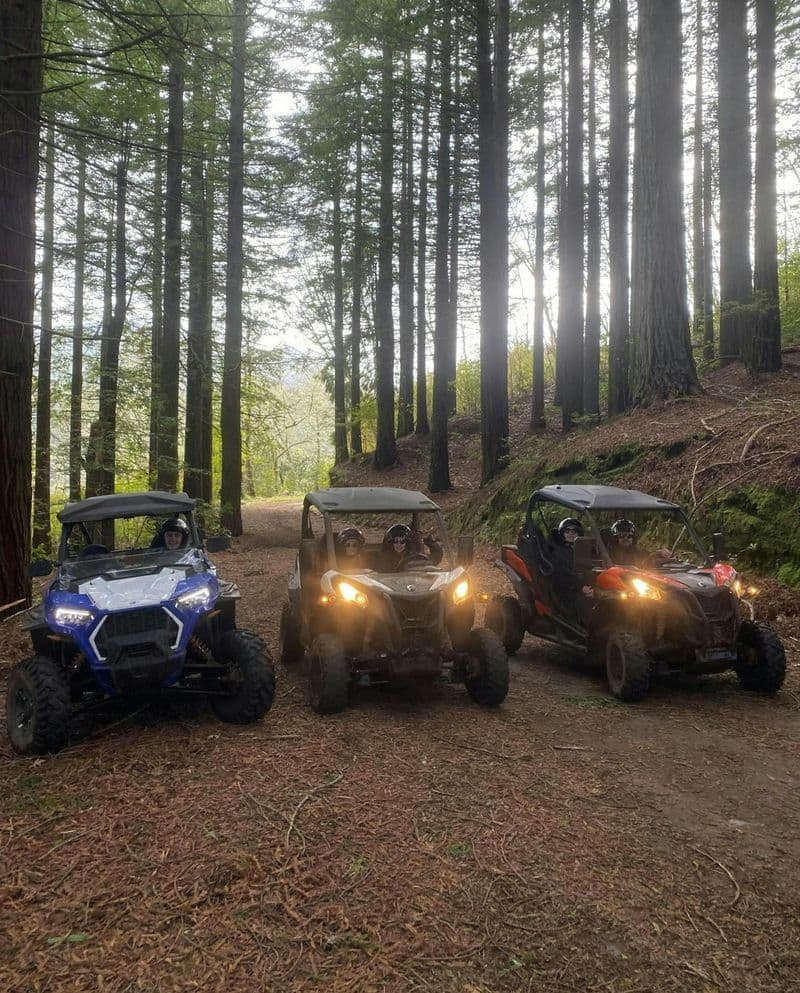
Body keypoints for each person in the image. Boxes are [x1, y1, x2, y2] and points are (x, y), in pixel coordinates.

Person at [378, 523, 443, 572]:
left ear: (407, 543)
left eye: (402, 541)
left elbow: (436, 557)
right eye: (395, 541)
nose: (399, 544)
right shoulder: (385, 558)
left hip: (416, 585)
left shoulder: (416, 556)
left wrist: (429, 540)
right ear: (391, 543)